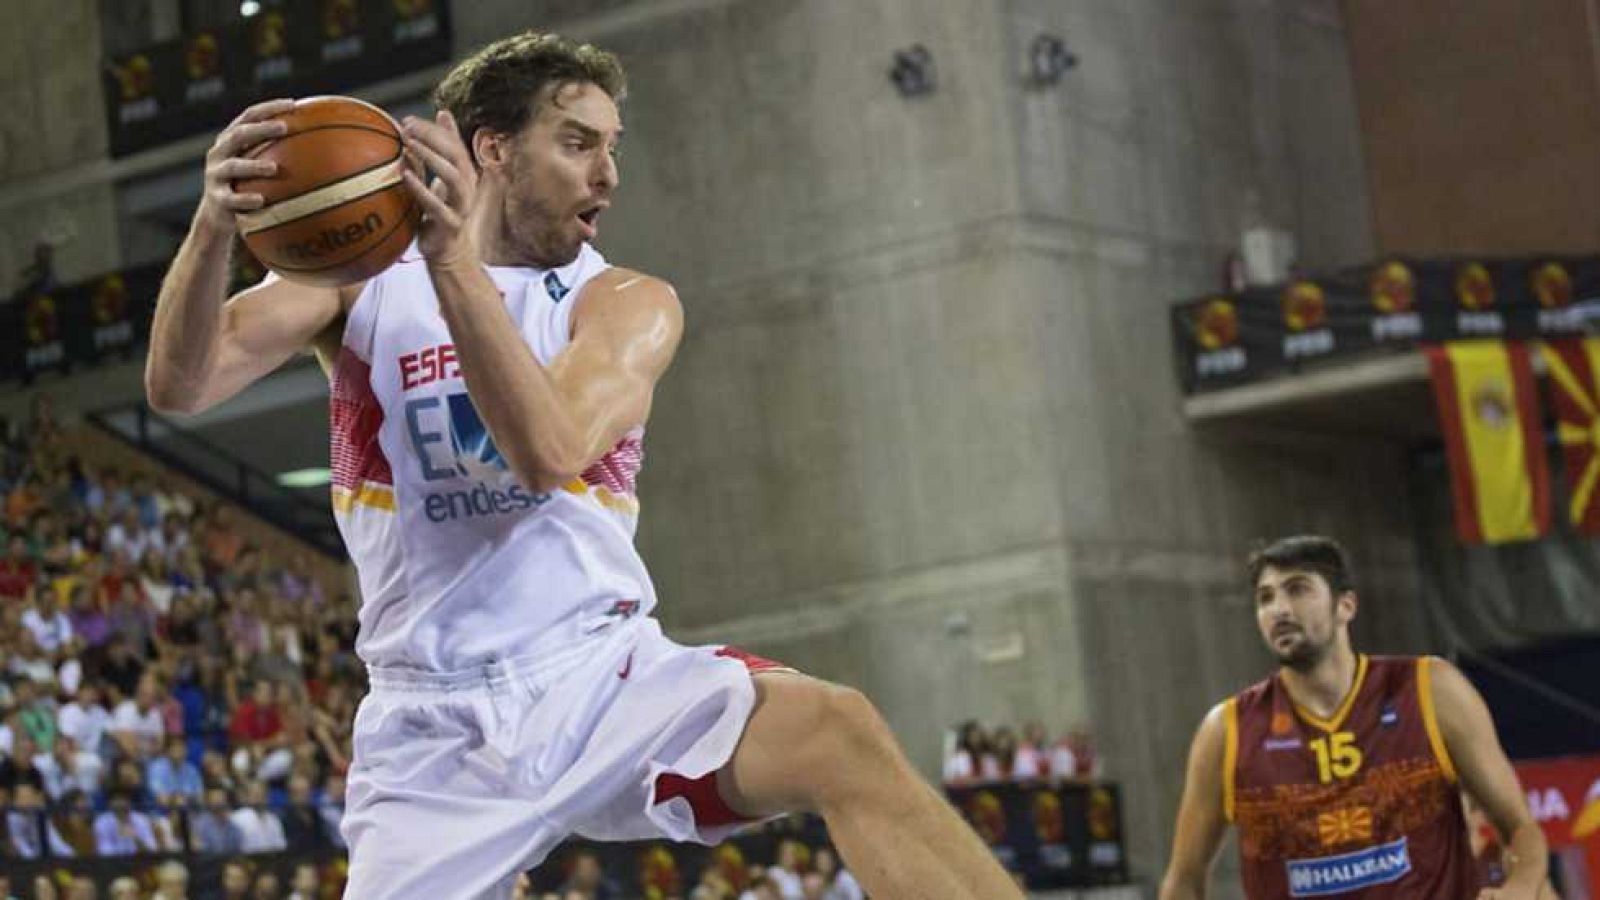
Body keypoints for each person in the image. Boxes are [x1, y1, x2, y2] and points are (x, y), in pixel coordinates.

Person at [143, 28, 1020, 900]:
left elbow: (548, 450)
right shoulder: (362, 283)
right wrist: (217, 224)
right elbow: (180, 385)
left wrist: (453, 265)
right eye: (576, 144)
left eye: (611, 146)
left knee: (838, 731)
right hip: (428, 727)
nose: (608, 174)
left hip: (598, 677)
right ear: (493, 150)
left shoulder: (627, 302)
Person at [1159, 536, 1549, 900]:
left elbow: (1520, 829)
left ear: (1346, 605)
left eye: (1297, 589)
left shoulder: (1431, 690)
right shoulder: (1228, 731)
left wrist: (1519, 888)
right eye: (1265, 598)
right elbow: (1184, 878)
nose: (1278, 609)